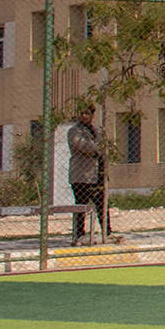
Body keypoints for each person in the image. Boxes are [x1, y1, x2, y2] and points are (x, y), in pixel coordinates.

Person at [67, 104, 106, 244]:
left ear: (92, 115)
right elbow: (84, 146)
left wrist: (100, 149)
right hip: (81, 174)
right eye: (81, 113)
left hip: (96, 173)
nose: (83, 115)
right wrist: (99, 149)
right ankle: (79, 234)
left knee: (101, 204)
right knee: (81, 205)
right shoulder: (74, 131)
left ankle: (107, 232)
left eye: (87, 113)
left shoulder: (98, 130)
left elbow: (105, 145)